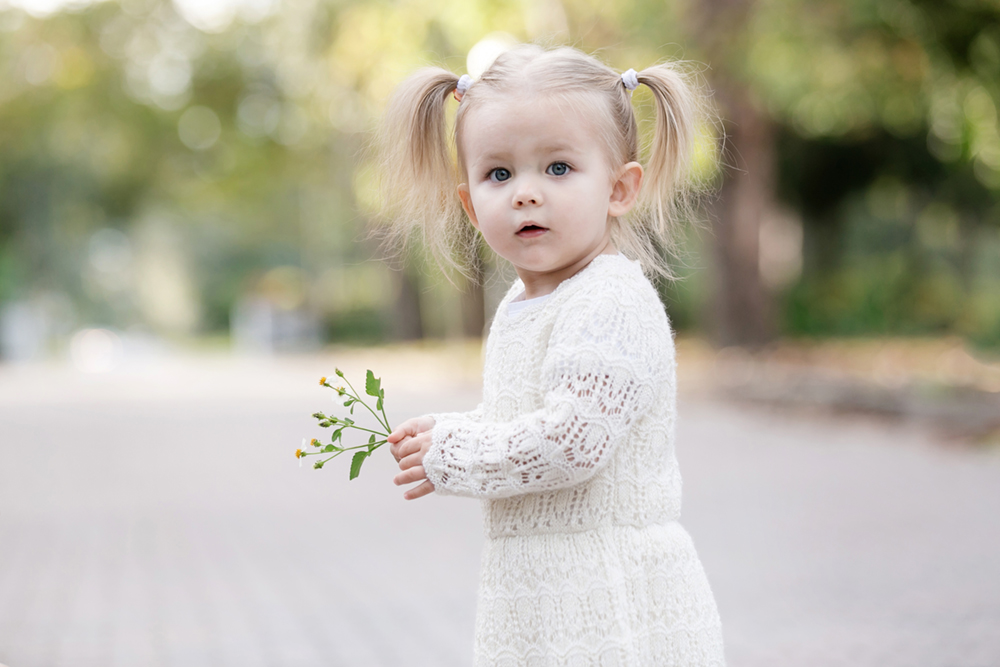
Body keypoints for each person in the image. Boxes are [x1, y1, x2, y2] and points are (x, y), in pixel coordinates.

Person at [380, 43, 725, 666]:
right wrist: (454, 429)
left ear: (620, 188)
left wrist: (452, 455)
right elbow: (524, 415)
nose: (526, 194)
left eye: (559, 168)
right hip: (540, 594)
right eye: (499, 174)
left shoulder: (610, 299)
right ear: (469, 203)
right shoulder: (521, 302)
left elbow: (573, 442)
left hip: (608, 594)